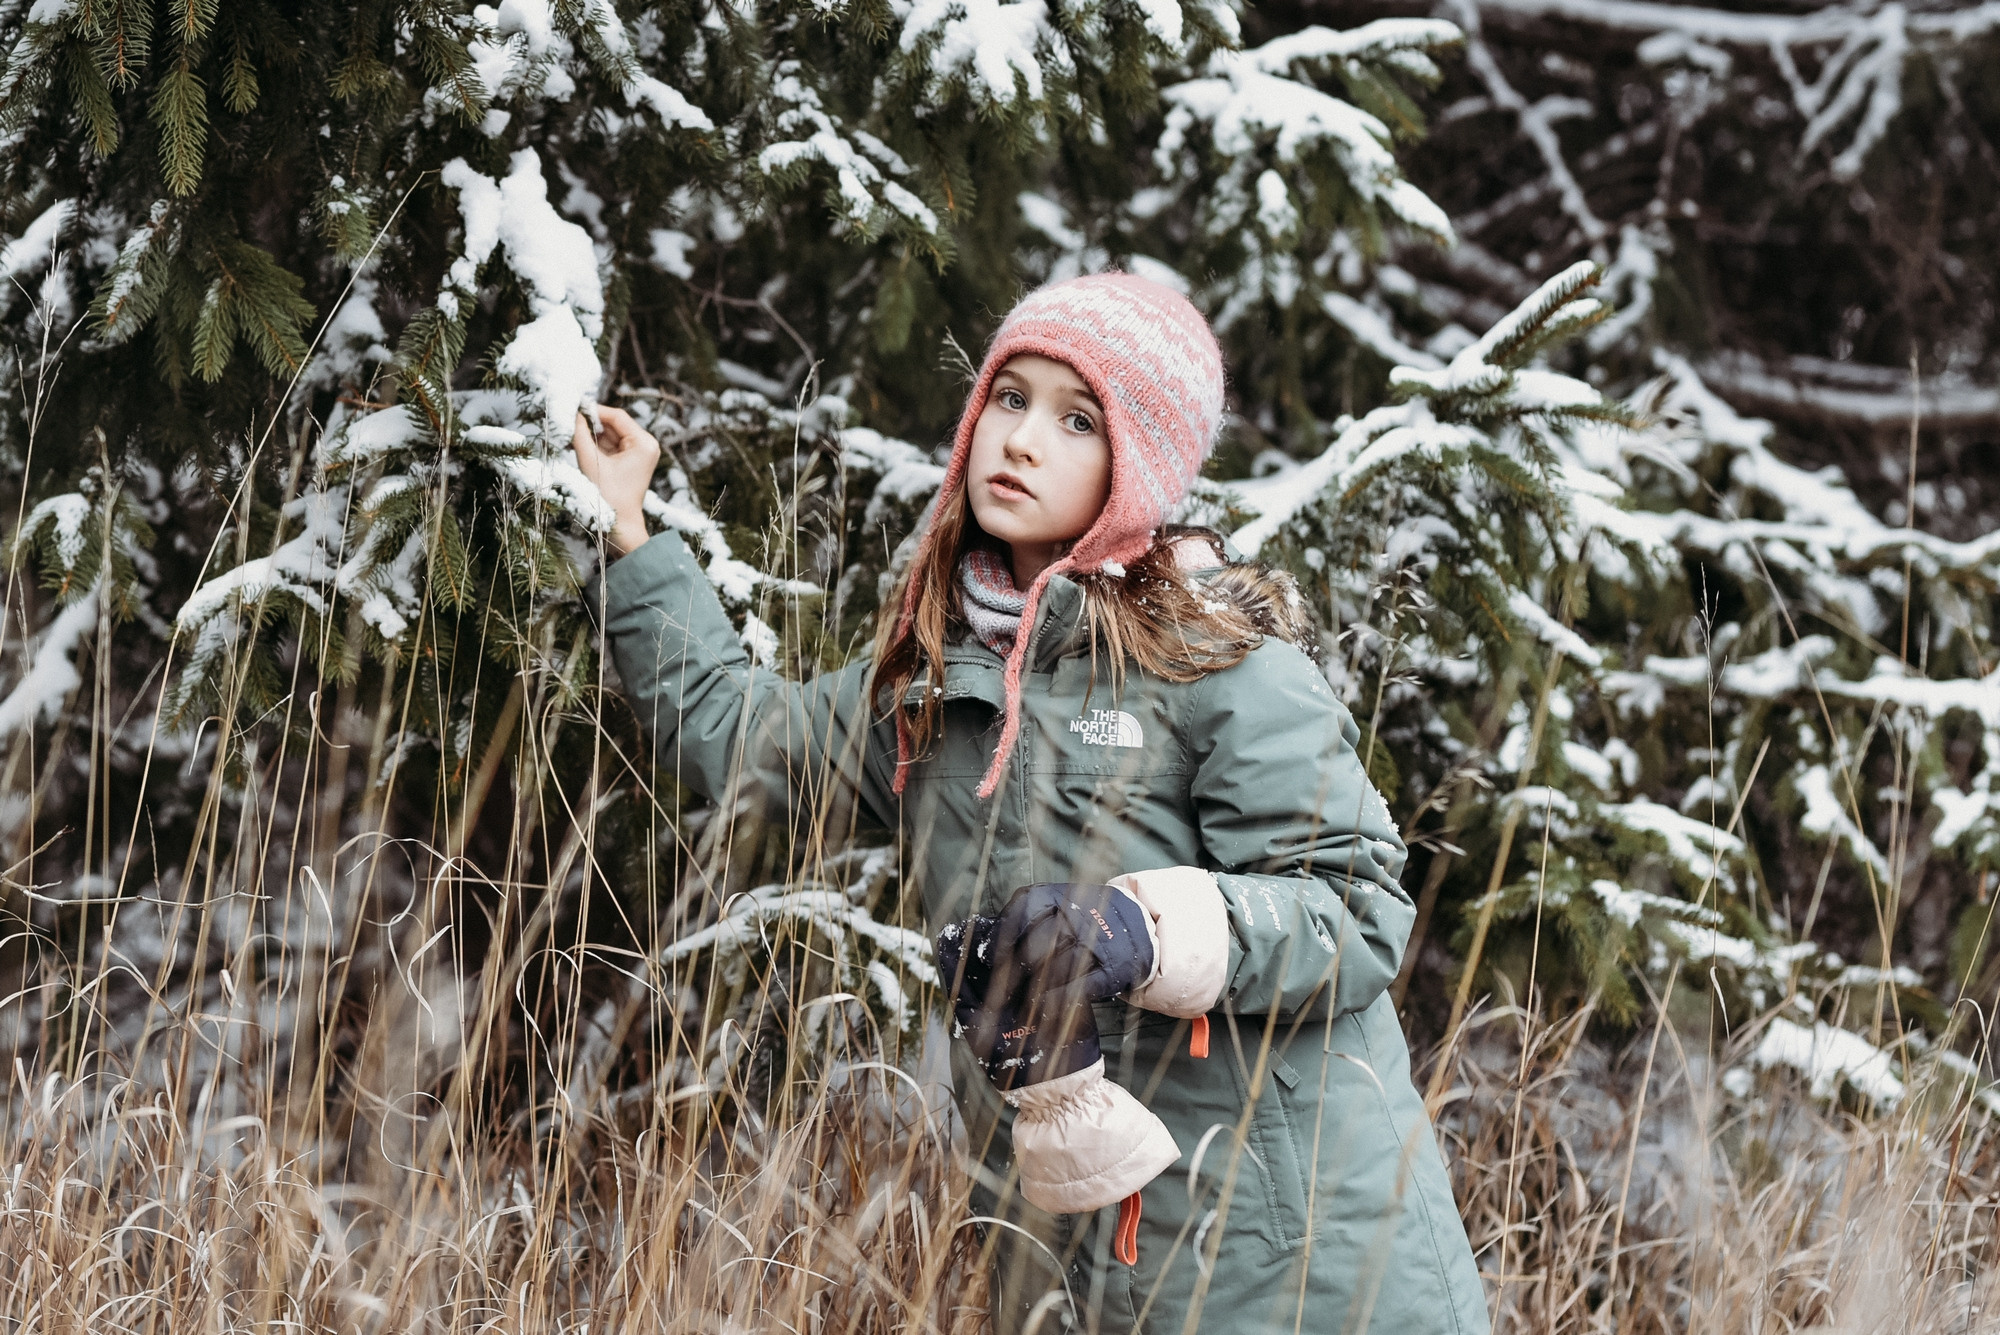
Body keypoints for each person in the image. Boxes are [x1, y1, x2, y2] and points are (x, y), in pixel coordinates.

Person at [576, 272, 1489, 1335]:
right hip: (1063, 1251)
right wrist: (628, 532)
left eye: (1076, 419)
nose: (1019, 441)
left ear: (1134, 462)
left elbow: (1357, 913)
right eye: (1008, 400)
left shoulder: (1216, 665)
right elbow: (734, 737)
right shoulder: (937, 684)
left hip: (1293, 1263)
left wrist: (1140, 932)